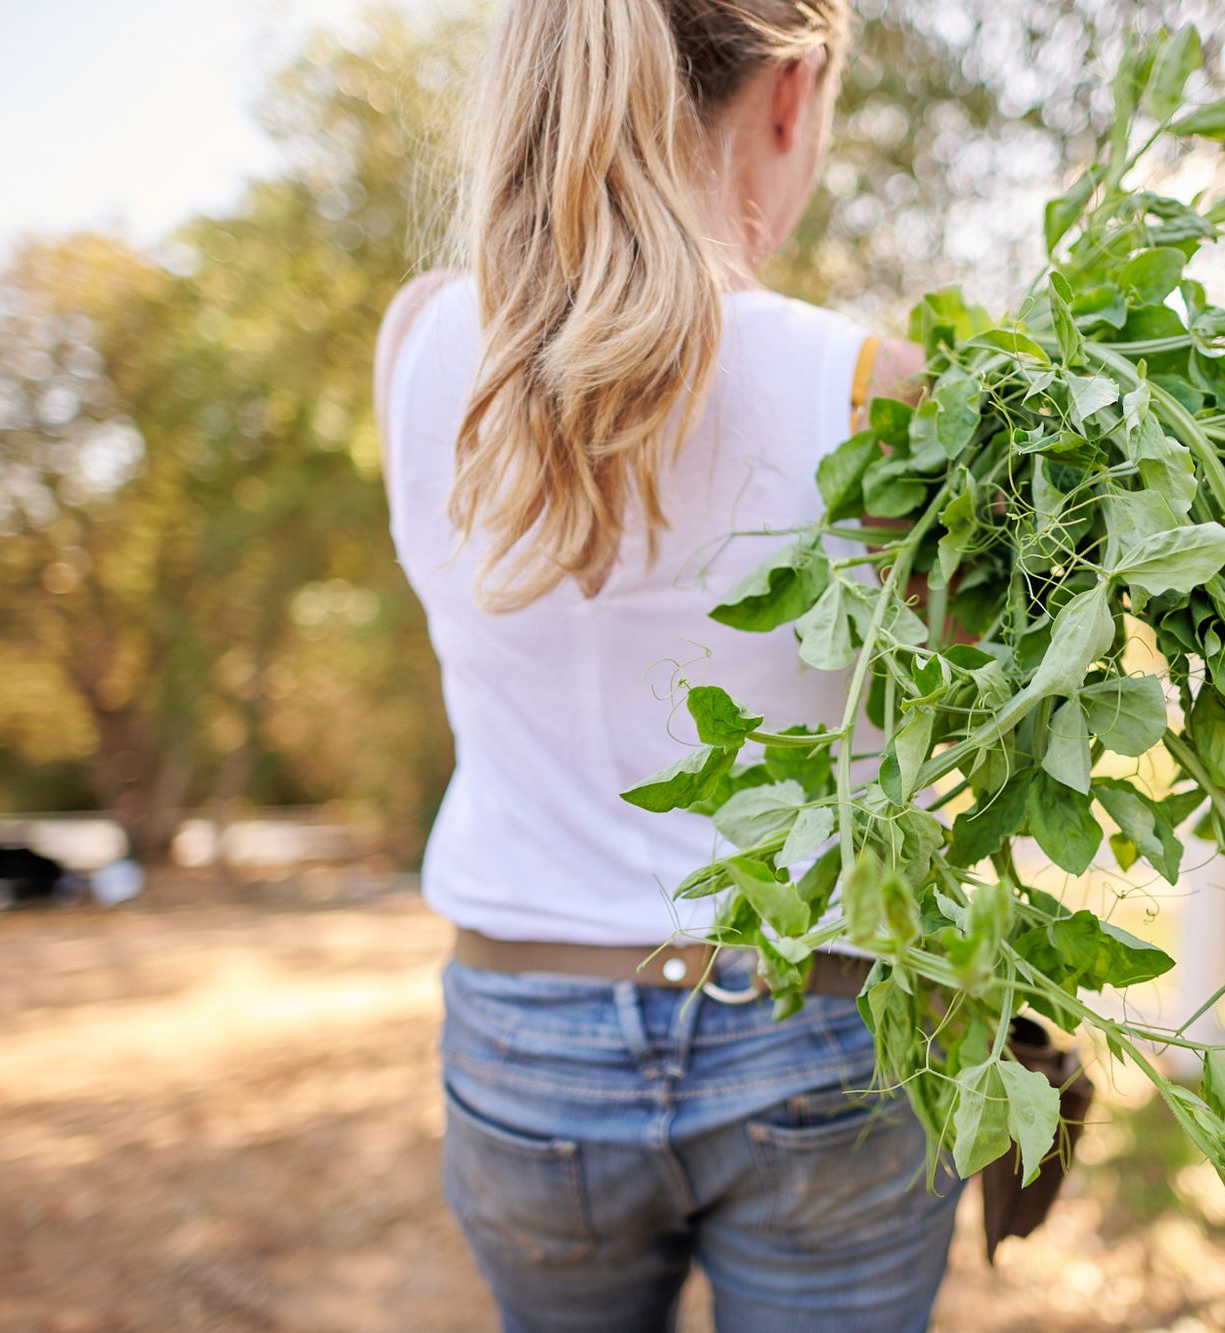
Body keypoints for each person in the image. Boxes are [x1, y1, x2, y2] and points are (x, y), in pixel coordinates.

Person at [372, 2, 958, 1329]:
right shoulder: (883, 392)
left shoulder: (416, 346)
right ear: (793, 92)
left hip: (523, 1030)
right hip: (819, 1031)